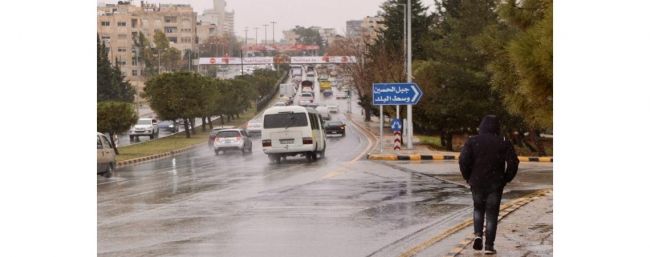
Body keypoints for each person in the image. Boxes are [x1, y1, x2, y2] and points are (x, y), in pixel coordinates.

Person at [459, 115, 519, 255]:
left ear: (482, 126)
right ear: (497, 127)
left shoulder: (472, 141)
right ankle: (489, 246)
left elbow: (463, 160)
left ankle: (478, 234)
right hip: (495, 183)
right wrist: (506, 179)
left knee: (478, 209)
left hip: (477, 182)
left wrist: (468, 177)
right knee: (492, 214)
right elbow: (513, 163)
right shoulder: (503, 142)